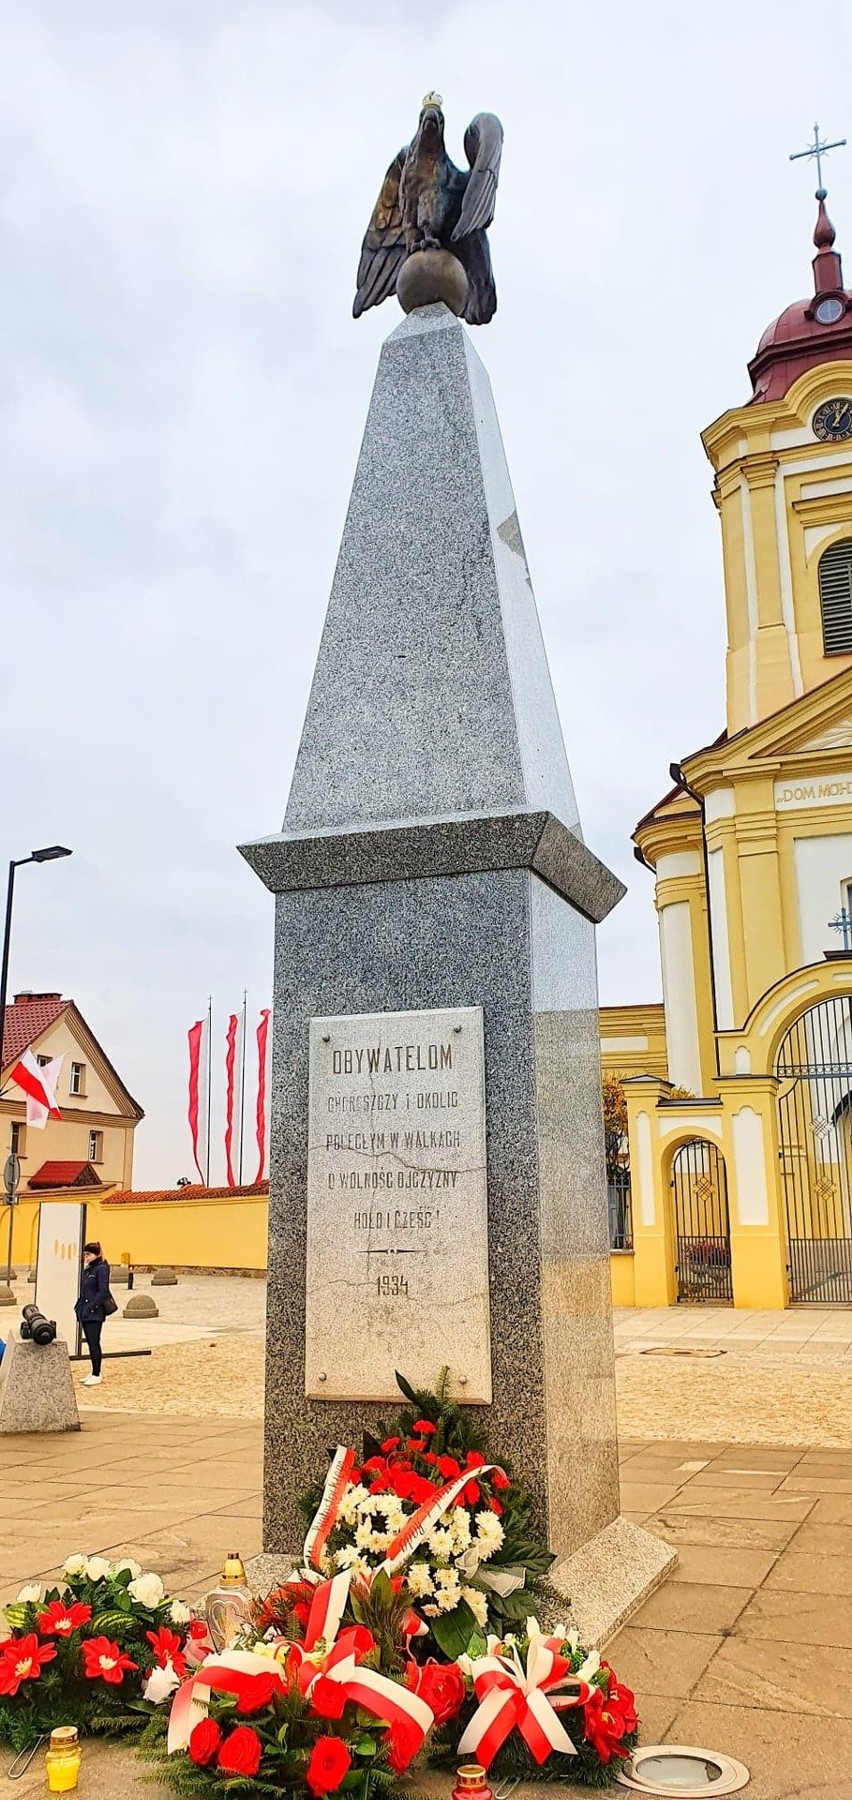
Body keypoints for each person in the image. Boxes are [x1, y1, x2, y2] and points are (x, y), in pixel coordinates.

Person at [75, 1241, 110, 1386]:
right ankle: (94, 1370)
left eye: (88, 1254)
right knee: (90, 1342)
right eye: (84, 1255)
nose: (86, 1257)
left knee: (94, 1342)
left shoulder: (101, 1269)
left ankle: (97, 1373)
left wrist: (91, 1307)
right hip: (85, 1311)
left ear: (95, 1254)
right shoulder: (88, 1270)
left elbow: (103, 1291)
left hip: (94, 1313)